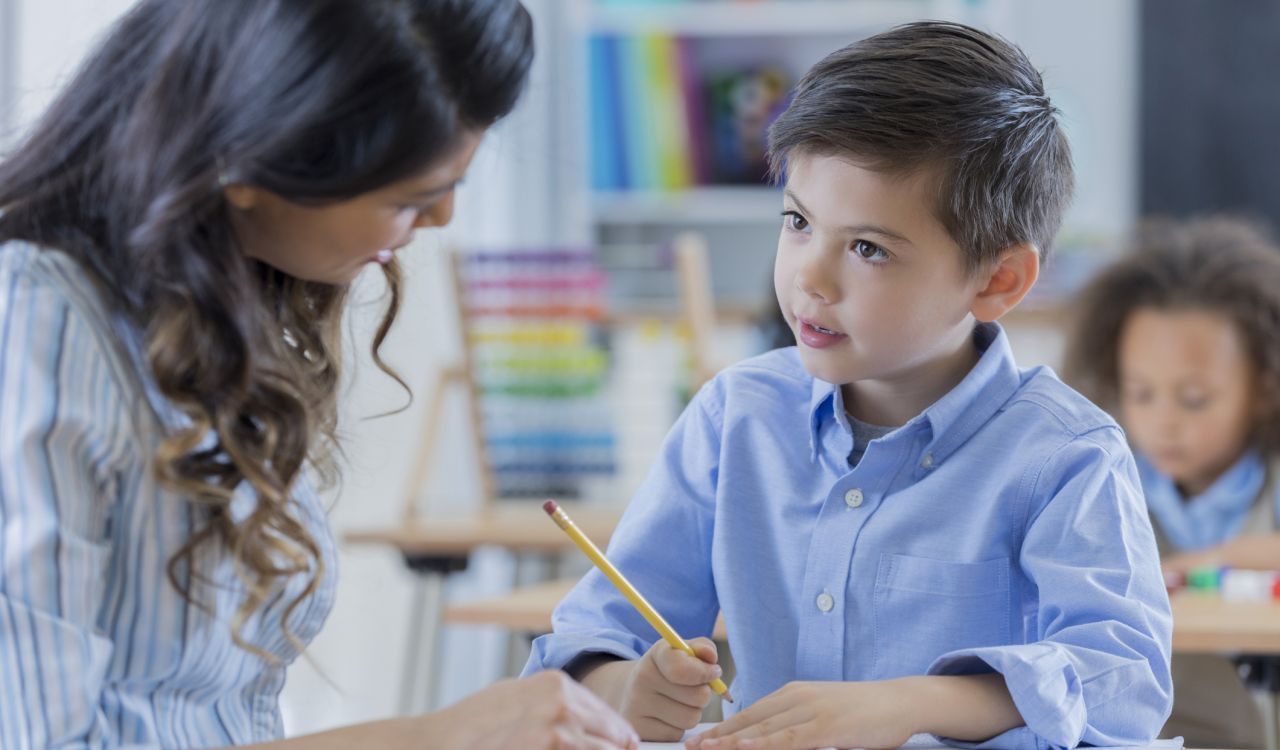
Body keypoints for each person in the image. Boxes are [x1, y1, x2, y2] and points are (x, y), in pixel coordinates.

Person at [0, 1, 639, 748]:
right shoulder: (36, 324)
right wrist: (428, 739)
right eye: (408, 198)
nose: (439, 221)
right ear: (246, 158)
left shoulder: (213, 321)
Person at [523, 21, 1172, 750]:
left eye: (867, 248)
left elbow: (1121, 679)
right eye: (798, 221)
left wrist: (913, 705)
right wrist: (627, 689)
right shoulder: (736, 417)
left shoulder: (1066, 457)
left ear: (999, 280)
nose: (809, 277)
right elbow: (592, 638)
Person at [1064, 216, 1280, 749]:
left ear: (1264, 387)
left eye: (1194, 399)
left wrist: (1211, 561)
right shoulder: (1104, 476)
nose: (1164, 422)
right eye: (1141, 393)